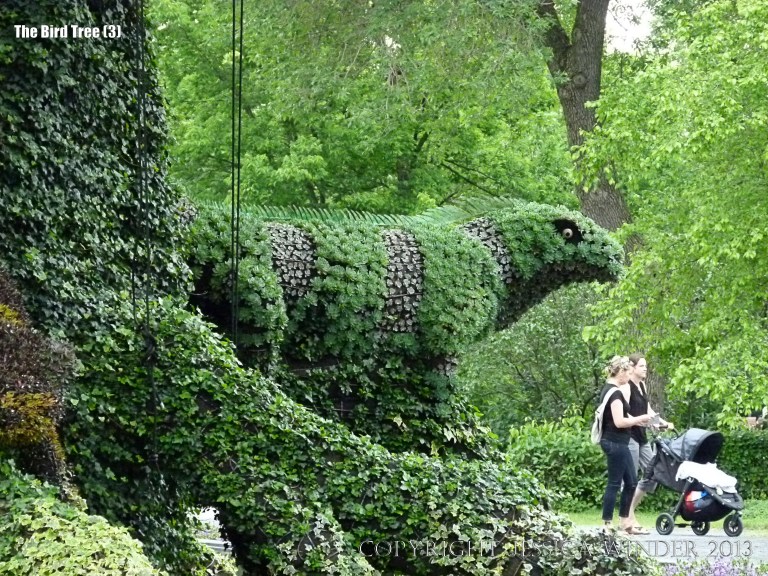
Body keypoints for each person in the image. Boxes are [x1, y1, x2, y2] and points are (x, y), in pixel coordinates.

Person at [598, 355, 652, 535]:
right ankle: (607, 524)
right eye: (627, 373)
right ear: (620, 372)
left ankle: (625, 522)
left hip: (621, 441)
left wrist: (639, 422)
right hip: (614, 442)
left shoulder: (615, 390)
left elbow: (623, 418)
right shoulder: (614, 393)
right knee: (614, 483)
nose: (629, 377)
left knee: (631, 482)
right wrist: (639, 419)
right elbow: (619, 421)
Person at [625, 353, 674, 531]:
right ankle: (628, 519)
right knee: (631, 477)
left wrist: (662, 423)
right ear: (633, 367)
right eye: (642, 366)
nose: (645, 369)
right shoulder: (626, 387)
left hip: (642, 436)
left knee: (652, 473)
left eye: (646, 366)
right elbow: (624, 413)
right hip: (629, 436)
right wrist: (640, 421)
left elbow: (648, 410)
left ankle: (630, 512)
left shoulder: (642, 385)